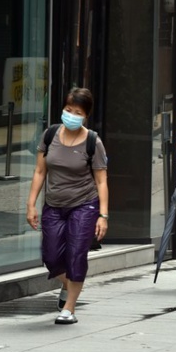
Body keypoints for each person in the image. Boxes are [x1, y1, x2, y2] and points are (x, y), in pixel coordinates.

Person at [26, 88, 108, 324]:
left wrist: (103, 215)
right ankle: (69, 284)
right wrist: (31, 204)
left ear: (86, 116)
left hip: (84, 204)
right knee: (51, 257)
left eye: (78, 112)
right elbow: (40, 171)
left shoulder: (93, 141)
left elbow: (101, 181)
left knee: (76, 254)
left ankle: (69, 309)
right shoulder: (50, 134)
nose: (71, 115)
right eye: (68, 110)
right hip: (54, 205)